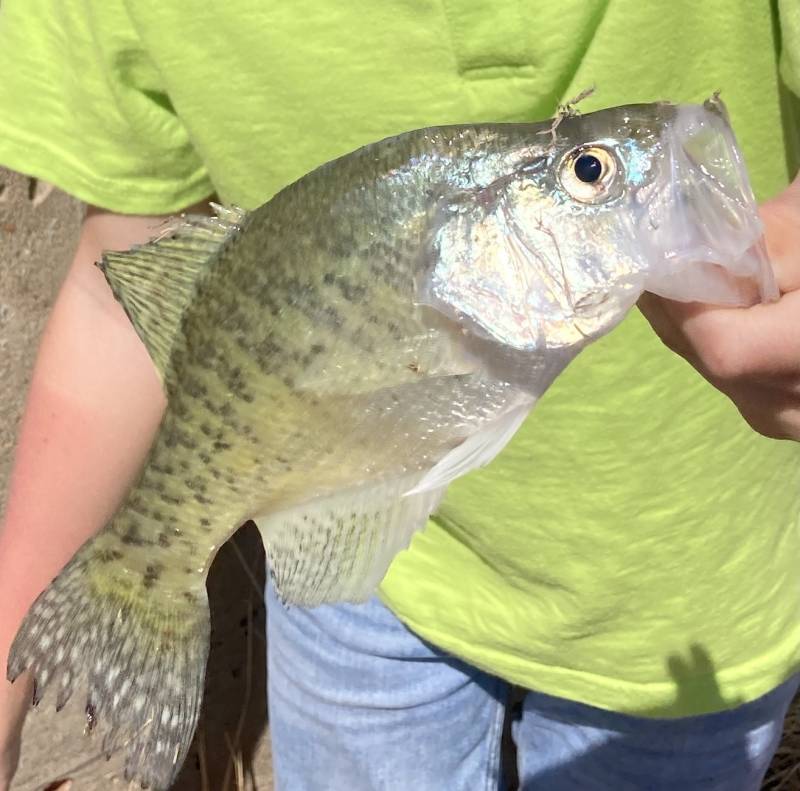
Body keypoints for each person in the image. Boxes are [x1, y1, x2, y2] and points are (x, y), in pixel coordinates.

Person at [0, 1, 798, 789]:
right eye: (588, 172)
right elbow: (117, 301)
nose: (617, 172)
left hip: (700, 597)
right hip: (374, 591)